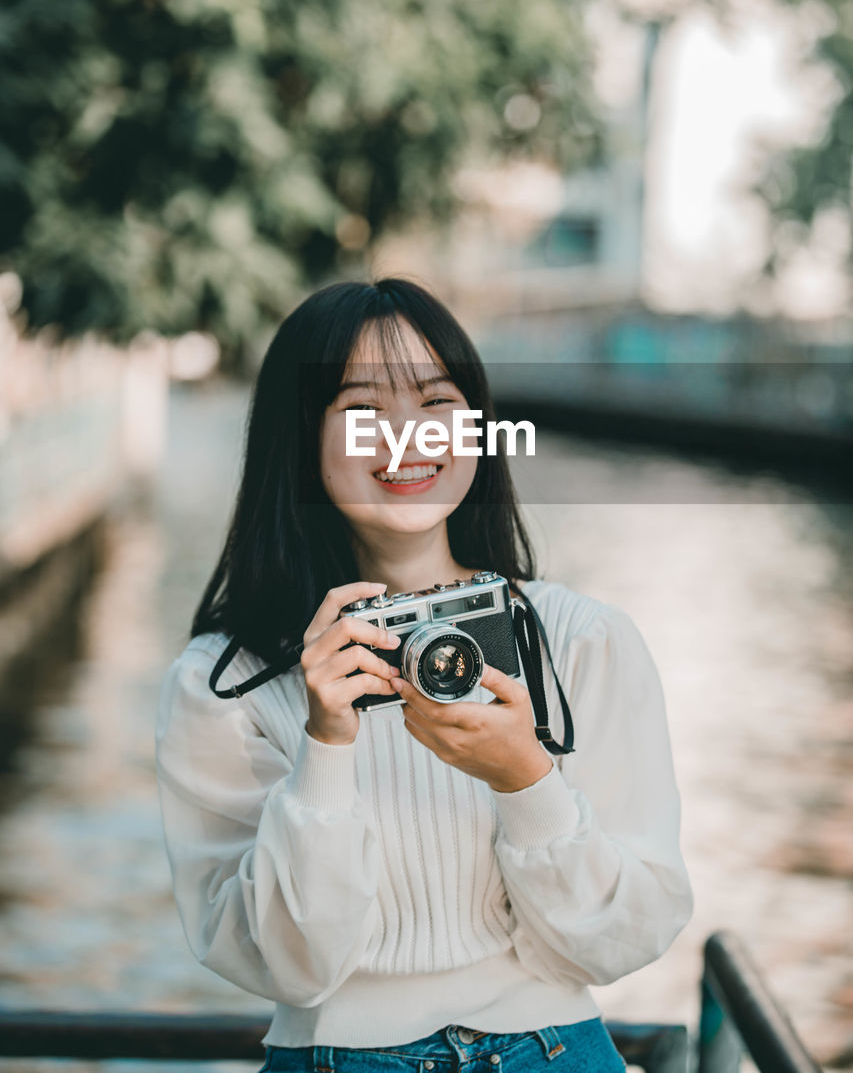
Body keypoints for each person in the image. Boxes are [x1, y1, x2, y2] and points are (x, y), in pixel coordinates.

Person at [154, 277, 693, 1073]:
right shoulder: (221, 684)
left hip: (556, 1051)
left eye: (438, 404)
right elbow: (285, 968)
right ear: (299, 438)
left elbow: (628, 935)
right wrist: (325, 749)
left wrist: (524, 781)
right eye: (364, 413)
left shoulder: (580, 640)